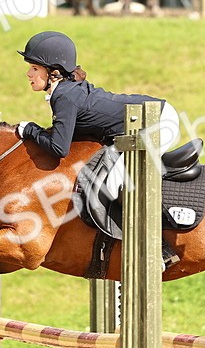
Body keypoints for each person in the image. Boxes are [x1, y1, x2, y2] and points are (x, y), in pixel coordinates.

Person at [15, 30, 180, 216]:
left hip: (159, 122)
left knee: (113, 185)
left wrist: (30, 130)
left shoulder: (64, 95)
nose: (28, 74)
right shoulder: (66, 90)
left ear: (54, 71)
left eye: (35, 68)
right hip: (149, 118)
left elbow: (59, 148)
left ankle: (156, 236)